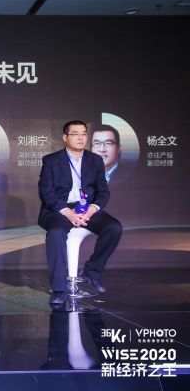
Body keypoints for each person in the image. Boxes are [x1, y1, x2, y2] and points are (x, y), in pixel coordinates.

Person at [38, 120, 122, 306]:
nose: (81, 137)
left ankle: (91, 272)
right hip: (59, 209)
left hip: (87, 208)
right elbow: (46, 192)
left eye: (83, 134)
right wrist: (68, 213)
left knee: (114, 228)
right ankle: (59, 288)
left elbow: (103, 192)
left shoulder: (95, 160)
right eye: (75, 134)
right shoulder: (51, 160)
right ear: (65, 137)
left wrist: (90, 211)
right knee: (56, 233)